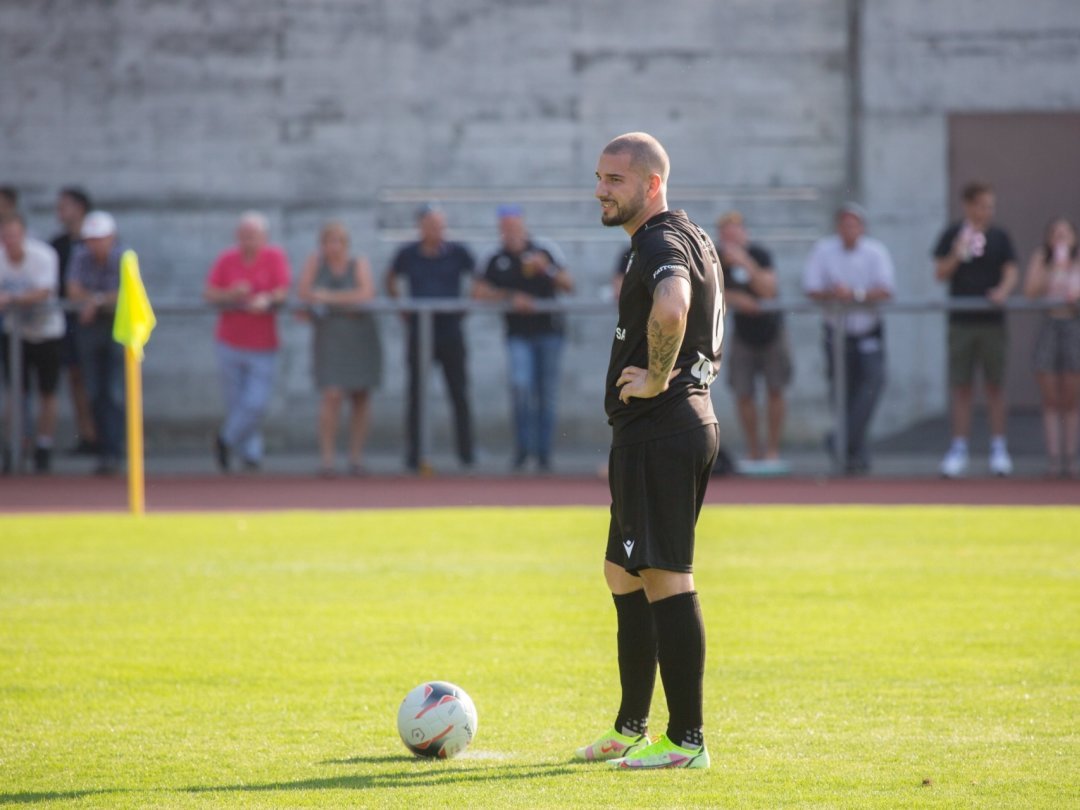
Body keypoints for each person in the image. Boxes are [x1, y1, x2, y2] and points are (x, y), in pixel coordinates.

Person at [575, 132, 723, 770]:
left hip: (661, 428)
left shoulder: (660, 242)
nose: (601, 190)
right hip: (662, 429)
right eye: (600, 177)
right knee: (622, 571)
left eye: (615, 180)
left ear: (651, 184)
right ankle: (631, 726)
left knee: (665, 576)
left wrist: (661, 377)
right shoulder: (689, 234)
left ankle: (685, 741)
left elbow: (673, 308)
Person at [474, 205, 573, 471]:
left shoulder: (545, 249)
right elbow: (478, 291)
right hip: (518, 334)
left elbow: (569, 285)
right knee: (521, 388)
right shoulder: (494, 256)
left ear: (523, 226)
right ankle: (523, 449)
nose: (511, 233)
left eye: (515, 227)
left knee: (546, 393)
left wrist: (546, 270)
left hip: (549, 332)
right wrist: (509, 297)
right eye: (506, 228)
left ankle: (543, 454)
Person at [933, 182, 1019, 478]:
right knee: (962, 388)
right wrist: (958, 252)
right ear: (968, 205)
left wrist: (1002, 292)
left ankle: (998, 447)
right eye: (982, 205)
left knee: (995, 386)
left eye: (990, 206)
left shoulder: (999, 236)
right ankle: (959, 448)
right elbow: (939, 273)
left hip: (992, 323)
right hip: (961, 322)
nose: (987, 211)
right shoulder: (952, 234)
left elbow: (1011, 271)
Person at [802, 202, 895, 474]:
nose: (849, 230)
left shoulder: (876, 252)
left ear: (862, 228)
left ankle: (840, 442)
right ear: (837, 227)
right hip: (837, 334)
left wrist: (855, 295)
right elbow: (812, 289)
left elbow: (887, 290)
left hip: (868, 332)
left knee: (871, 387)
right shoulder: (824, 250)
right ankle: (854, 452)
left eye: (854, 224)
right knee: (841, 394)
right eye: (844, 224)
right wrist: (836, 295)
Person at [386, 204, 477, 474]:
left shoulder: (458, 252)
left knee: (458, 392)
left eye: (440, 225)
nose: (437, 231)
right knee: (416, 393)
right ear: (421, 227)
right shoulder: (408, 254)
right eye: (432, 225)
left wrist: (466, 306)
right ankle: (414, 454)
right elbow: (390, 279)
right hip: (420, 332)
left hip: (450, 331)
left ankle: (466, 453)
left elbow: (478, 278)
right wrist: (402, 307)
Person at [204, 212, 291, 472]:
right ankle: (250, 453)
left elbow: (282, 290)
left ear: (263, 237)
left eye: (253, 236)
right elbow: (209, 292)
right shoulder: (227, 259)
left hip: (263, 344)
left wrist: (266, 299)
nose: (248, 241)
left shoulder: (274, 257)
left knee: (255, 403)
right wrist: (231, 293)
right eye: (244, 236)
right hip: (230, 340)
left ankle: (225, 439)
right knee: (236, 403)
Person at [297, 221, 382, 476]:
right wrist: (339, 299)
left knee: (360, 396)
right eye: (328, 242)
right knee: (331, 395)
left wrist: (328, 297)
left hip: (360, 337)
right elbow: (304, 294)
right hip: (329, 338)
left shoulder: (359, 263)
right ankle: (327, 459)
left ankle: (356, 457)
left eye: (338, 242)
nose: (332, 247)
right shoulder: (316, 263)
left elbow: (366, 294)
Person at [716, 210, 791, 472]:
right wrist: (736, 299)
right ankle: (753, 448)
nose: (731, 239)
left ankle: (772, 449)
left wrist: (745, 263)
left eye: (735, 233)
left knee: (775, 389)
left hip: (771, 332)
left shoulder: (759, 255)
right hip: (742, 335)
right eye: (726, 235)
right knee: (743, 391)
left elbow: (768, 291)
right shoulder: (715, 259)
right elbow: (707, 291)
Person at [0, 213, 64, 473]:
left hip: (47, 331)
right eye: (5, 236)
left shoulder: (44, 256)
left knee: (47, 392)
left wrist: (12, 299)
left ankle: (43, 445)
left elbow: (44, 291)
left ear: (24, 234)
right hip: (15, 334)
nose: (10, 241)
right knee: (16, 392)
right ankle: (13, 445)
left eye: (14, 235)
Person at [66, 211, 125, 475]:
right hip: (89, 330)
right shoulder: (80, 256)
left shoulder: (125, 258)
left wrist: (96, 301)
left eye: (101, 238)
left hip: (117, 329)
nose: (96, 244)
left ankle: (115, 449)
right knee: (93, 391)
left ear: (112, 237)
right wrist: (98, 299)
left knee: (114, 392)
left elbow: (127, 292)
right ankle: (104, 448)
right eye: (91, 239)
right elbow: (72, 289)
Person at [1023, 217, 1080, 478]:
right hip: (1049, 325)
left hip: (1073, 326)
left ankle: (1071, 457)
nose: (1060, 237)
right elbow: (1031, 291)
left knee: (1071, 397)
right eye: (1055, 233)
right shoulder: (1042, 258)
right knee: (1050, 398)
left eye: (1065, 233)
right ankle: (1054, 459)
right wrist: (1054, 266)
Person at [49, 186, 98, 455]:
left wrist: (93, 300)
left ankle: (107, 435)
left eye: (64, 205)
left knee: (103, 382)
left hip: (97, 322)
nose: (59, 211)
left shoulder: (99, 243)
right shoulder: (58, 244)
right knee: (75, 378)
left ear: (80, 208)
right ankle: (87, 435)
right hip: (67, 322)